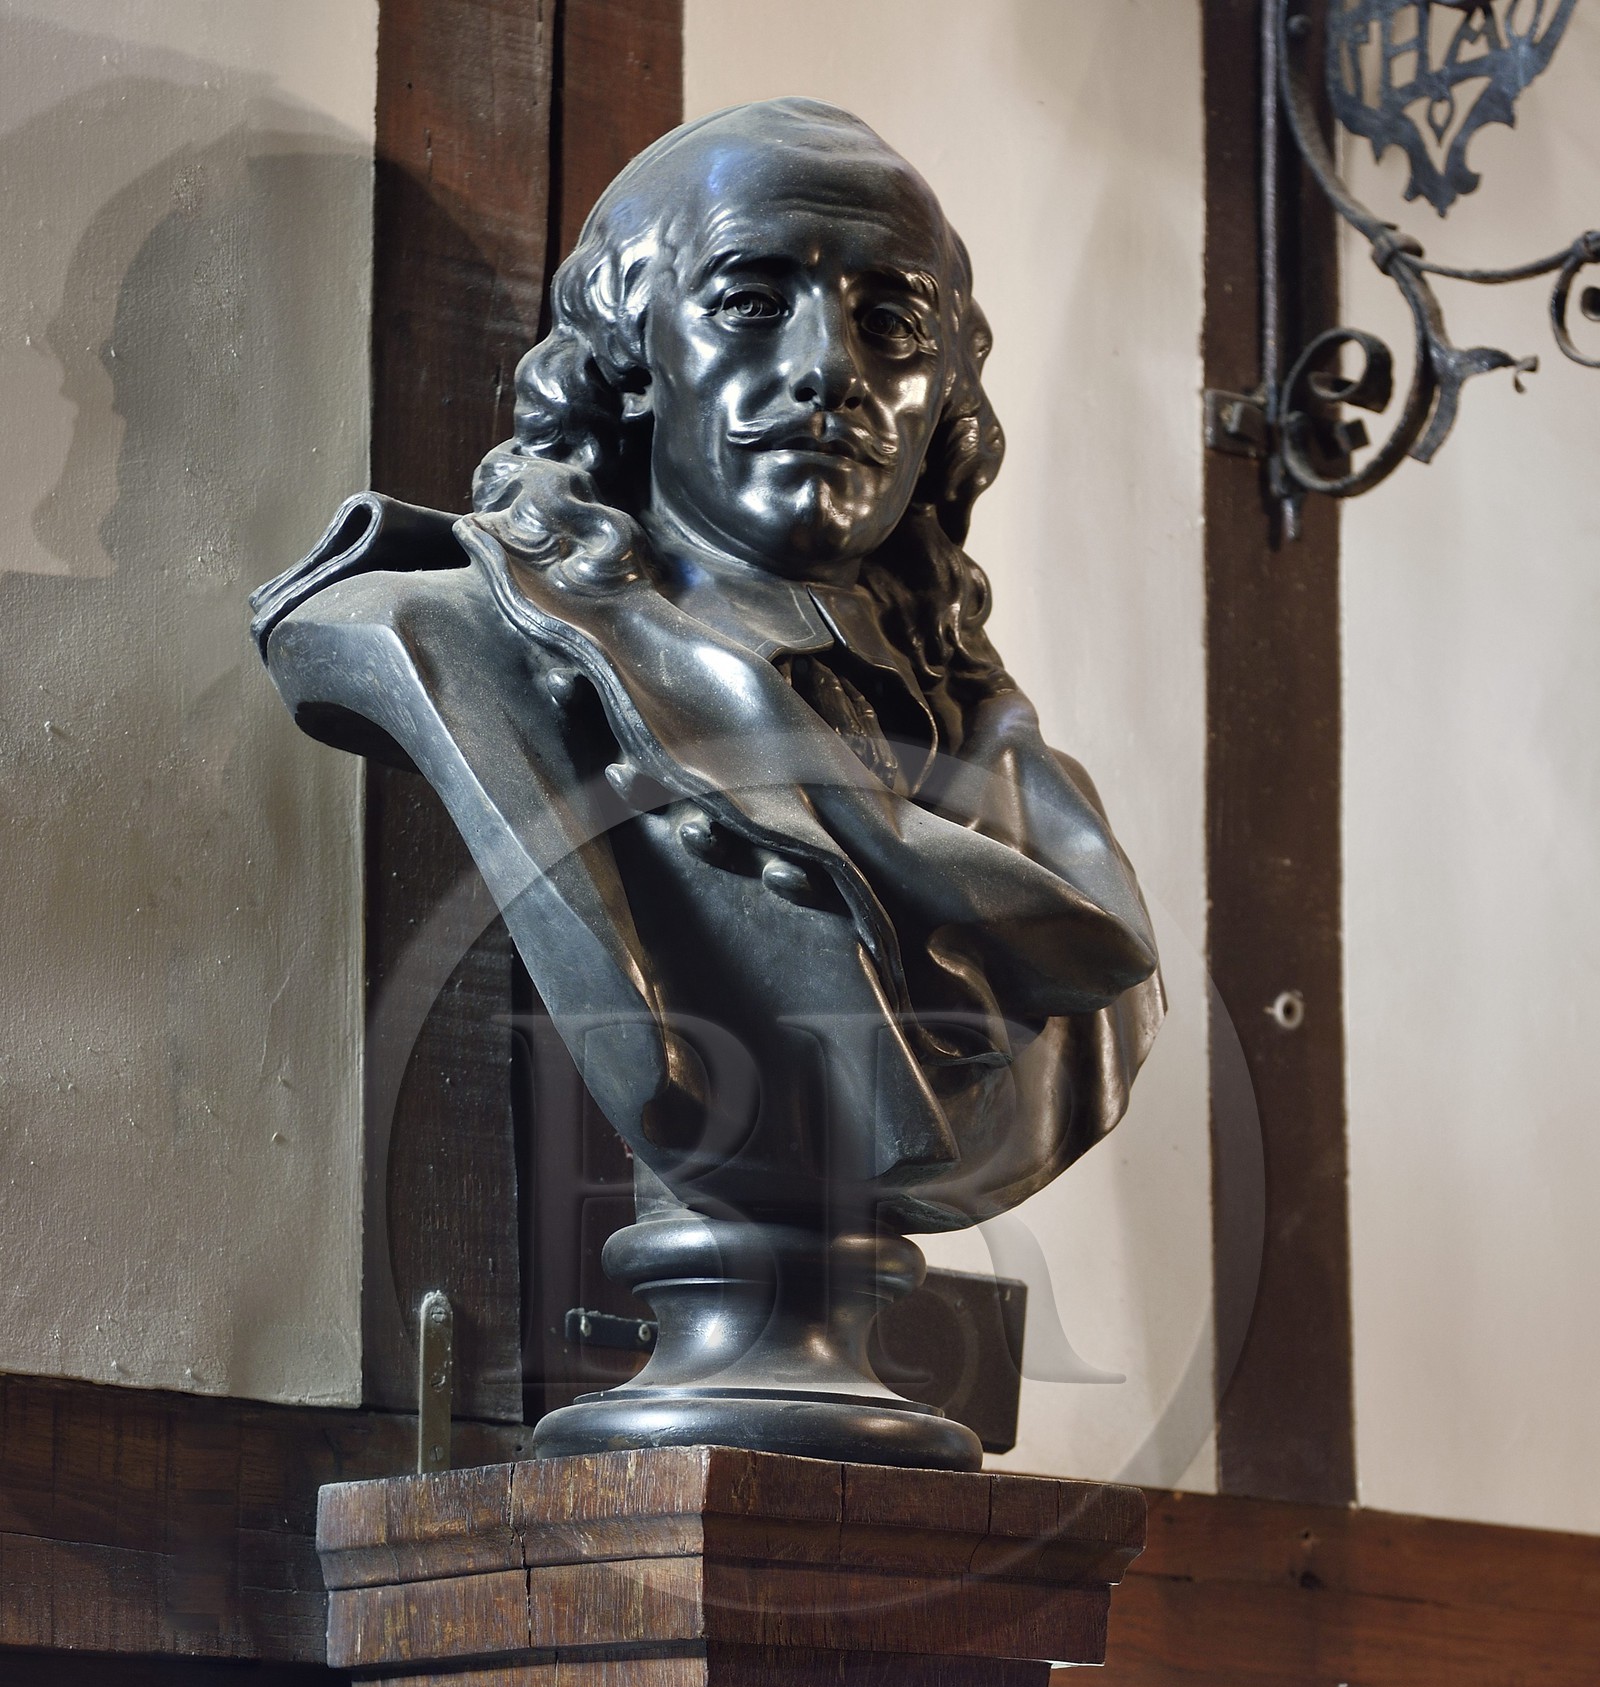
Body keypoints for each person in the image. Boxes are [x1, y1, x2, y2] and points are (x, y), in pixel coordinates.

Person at [255, 98, 1162, 1237]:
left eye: (891, 324)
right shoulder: (444, 646)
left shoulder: (1028, 800)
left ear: (945, 403)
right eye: (748, 302)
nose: (829, 369)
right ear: (633, 353)